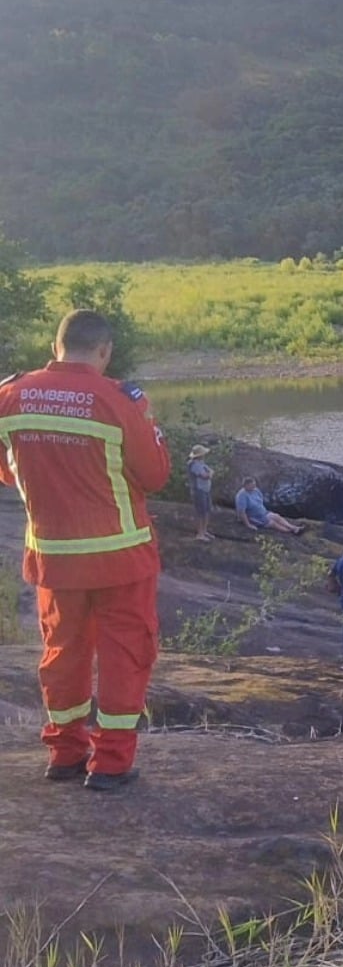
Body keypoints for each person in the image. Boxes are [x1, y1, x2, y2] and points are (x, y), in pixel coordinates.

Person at [0, 309, 171, 792]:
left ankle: (65, 754)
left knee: (62, 653)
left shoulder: (10, 395)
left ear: (56, 346)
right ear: (104, 351)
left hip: (53, 557)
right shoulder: (118, 400)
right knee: (124, 655)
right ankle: (111, 764)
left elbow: (7, 471)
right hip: (122, 557)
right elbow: (156, 475)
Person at [234, 476, 305, 535]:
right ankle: (290, 532)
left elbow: (260, 501)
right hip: (254, 517)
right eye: (252, 485)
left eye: (254, 485)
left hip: (263, 513)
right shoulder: (241, 496)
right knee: (272, 523)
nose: (254, 487)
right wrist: (248, 525)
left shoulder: (255, 490)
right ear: (246, 486)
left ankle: (294, 528)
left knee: (276, 516)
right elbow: (242, 512)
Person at [187, 445, 215, 541]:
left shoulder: (201, 463)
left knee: (207, 511)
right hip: (199, 491)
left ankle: (204, 530)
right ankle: (200, 533)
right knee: (200, 512)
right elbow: (205, 475)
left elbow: (210, 471)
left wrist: (210, 473)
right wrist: (210, 474)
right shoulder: (194, 465)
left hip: (206, 490)